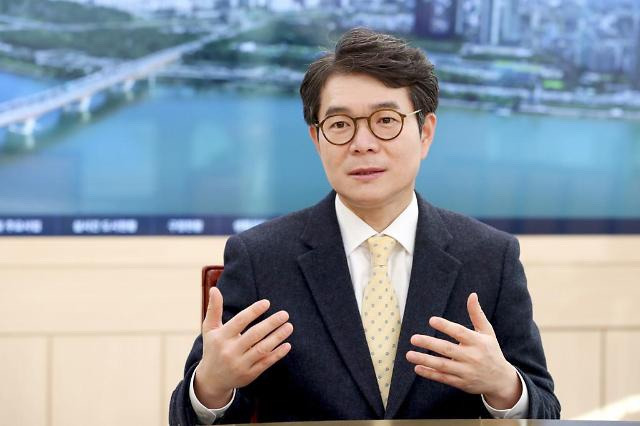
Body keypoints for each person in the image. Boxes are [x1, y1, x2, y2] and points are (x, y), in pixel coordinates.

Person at [169, 28, 560, 425]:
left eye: (386, 120)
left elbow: (546, 409)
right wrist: (212, 387)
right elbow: (187, 416)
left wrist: (503, 386)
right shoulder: (261, 258)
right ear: (317, 139)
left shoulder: (490, 257)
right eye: (340, 125)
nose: (363, 143)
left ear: (425, 133)